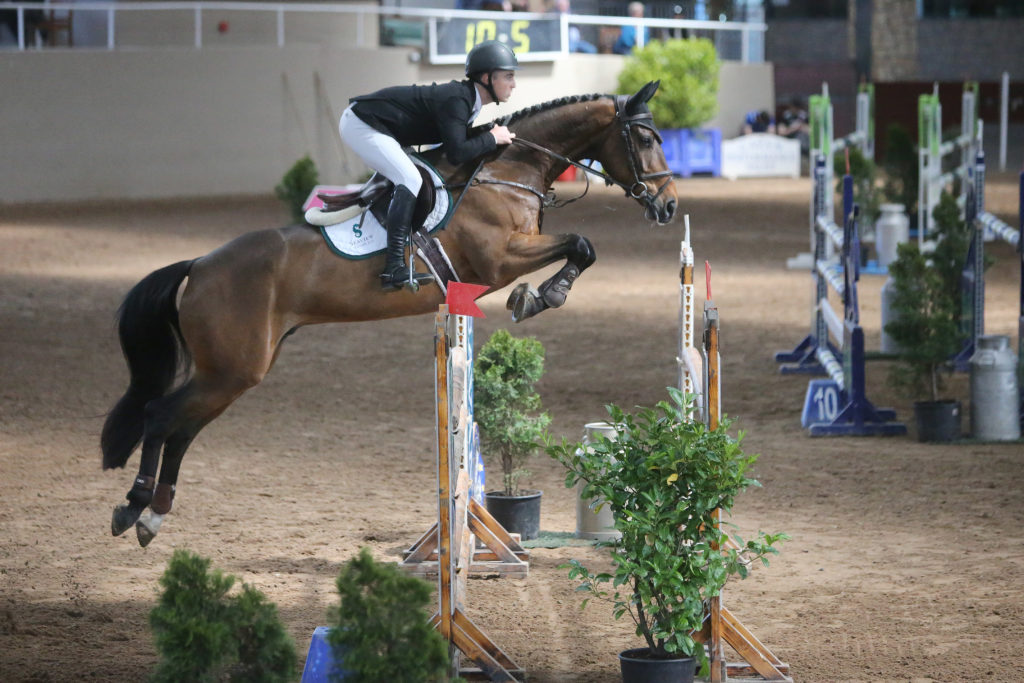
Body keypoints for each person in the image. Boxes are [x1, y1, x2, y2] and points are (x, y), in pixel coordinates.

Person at [339, 41, 519, 290]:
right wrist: (491, 138)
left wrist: (489, 134)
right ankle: (393, 268)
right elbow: (456, 153)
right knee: (410, 179)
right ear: (487, 77)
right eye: (508, 76)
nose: (513, 84)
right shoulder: (458, 99)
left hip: (383, 128)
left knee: (415, 178)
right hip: (362, 124)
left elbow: (456, 142)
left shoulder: (467, 100)